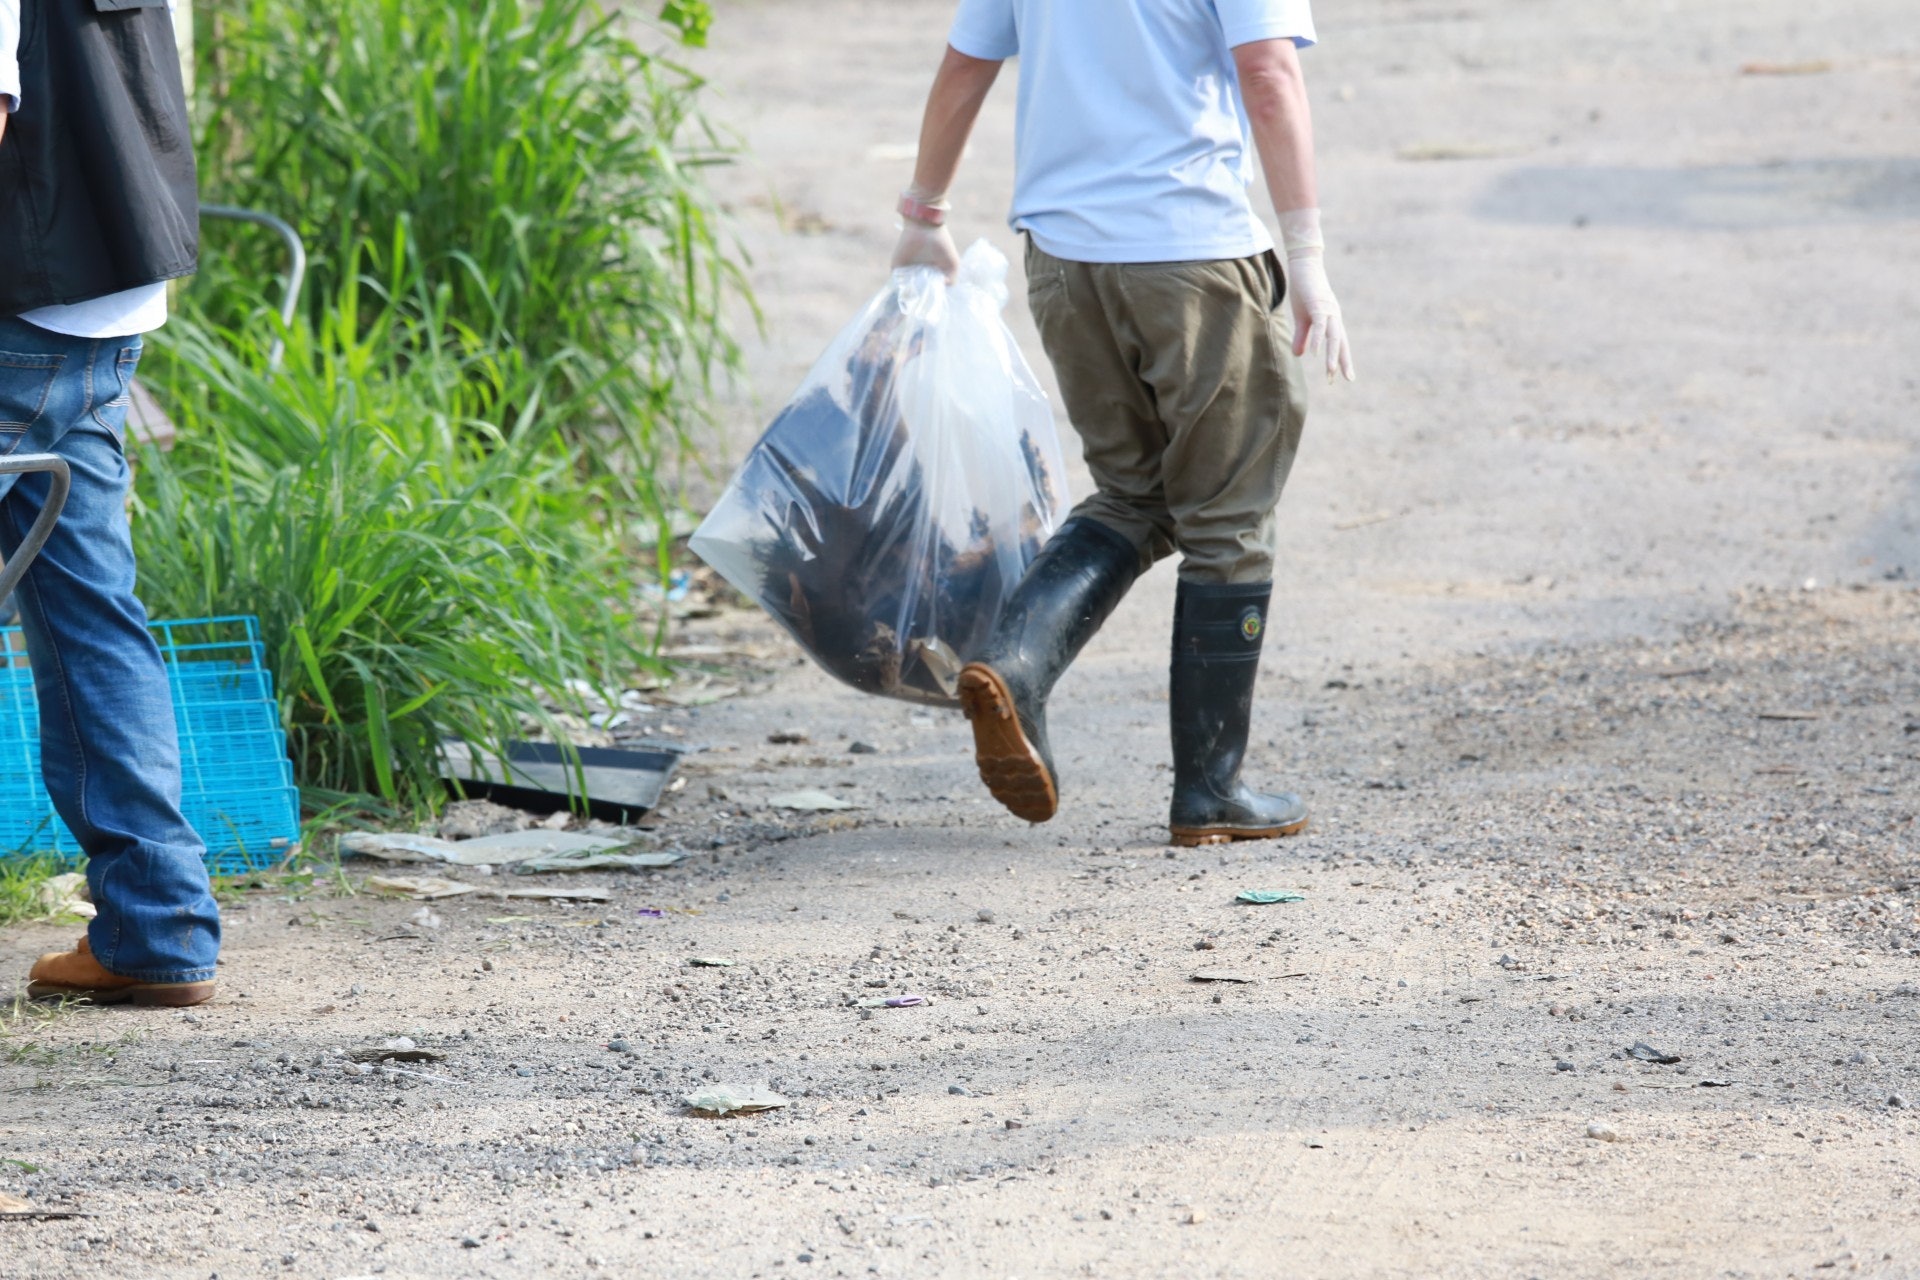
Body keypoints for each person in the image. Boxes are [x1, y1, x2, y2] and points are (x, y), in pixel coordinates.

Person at [893, 0, 1355, 846]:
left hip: (1064, 261)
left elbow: (965, 66)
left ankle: (1018, 665)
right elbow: (1269, 73)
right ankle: (1211, 792)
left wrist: (924, 214)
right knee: (1228, 520)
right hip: (1190, 252)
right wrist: (1310, 259)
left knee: (1132, 497)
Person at [2, 0, 221, 1004]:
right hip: (104, 288)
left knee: (86, 609)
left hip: (21, 298)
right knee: (89, 608)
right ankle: (157, 925)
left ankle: (159, 923)